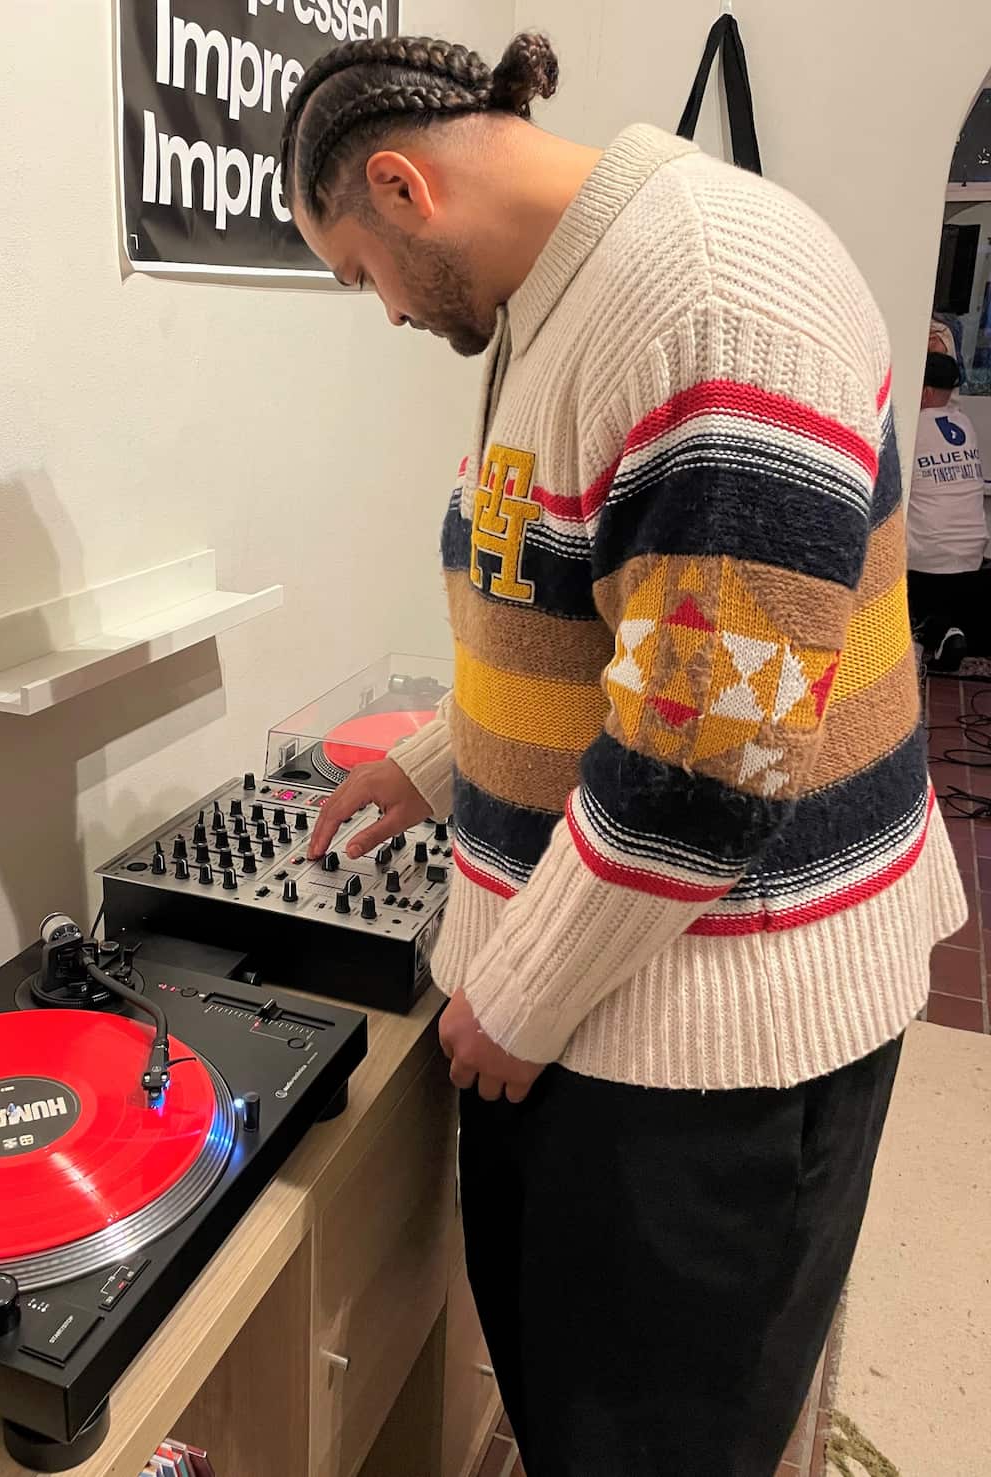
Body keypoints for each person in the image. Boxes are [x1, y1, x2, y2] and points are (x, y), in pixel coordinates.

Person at [281, 30, 967, 1477]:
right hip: (608, 996)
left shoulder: (710, 304)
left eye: (359, 276)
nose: (385, 312)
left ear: (402, 189)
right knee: (569, 1404)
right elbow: (589, 627)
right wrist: (436, 763)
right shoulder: (560, 300)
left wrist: (517, 995)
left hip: (717, 1048)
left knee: (658, 1441)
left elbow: (706, 762)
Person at [906, 349, 989, 670]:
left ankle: (926, 635)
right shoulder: (964, 423)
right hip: (972, 555)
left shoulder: (912, 427)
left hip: (926, 559)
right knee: (942, 604)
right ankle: (947, 631)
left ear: (924, 390)